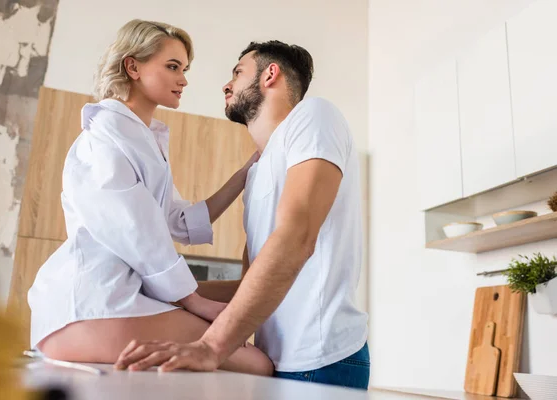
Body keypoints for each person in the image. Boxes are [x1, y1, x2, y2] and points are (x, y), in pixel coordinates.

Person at [114, 40, 370, 389]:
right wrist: (157, 292)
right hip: (272, 361)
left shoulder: (314, 117)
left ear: (270, 74)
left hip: (321, 360)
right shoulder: (258, 171)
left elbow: (296, 238)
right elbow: (246, 285)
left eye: (237, 72)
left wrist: (210, 347)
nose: (227, 84)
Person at [27, 19, 273, 376]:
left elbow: (179, 221)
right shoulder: (103, 138)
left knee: (246, 359)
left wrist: (244, 175)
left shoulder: (143, 140)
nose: (184, 79)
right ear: (133, 67)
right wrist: (193, 301)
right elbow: (135, 229)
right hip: (91, 305)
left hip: (105, 304)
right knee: (257, 364)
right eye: (173, 67)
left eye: (185, 69)